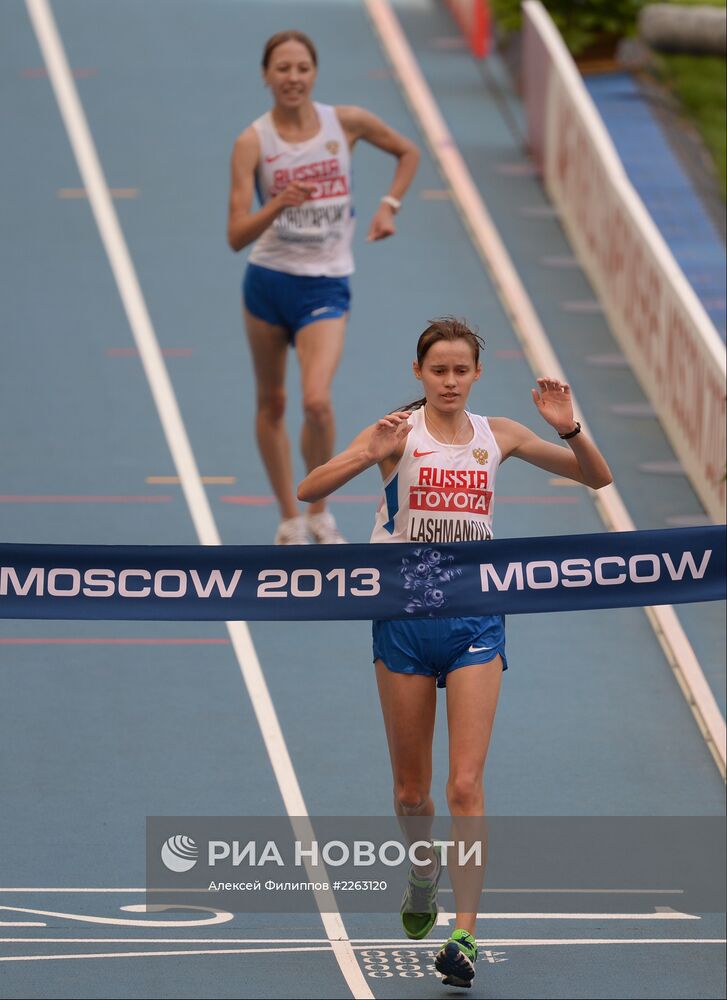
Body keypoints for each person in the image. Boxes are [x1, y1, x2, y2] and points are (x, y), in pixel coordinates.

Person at [297, 316, 612, 988]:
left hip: (474, 619)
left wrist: (568, 425)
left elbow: (597, 478)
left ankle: (463, 936)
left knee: (464, 785)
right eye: (436, 369)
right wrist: (366, 453)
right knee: (412, 794)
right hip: (403, 623)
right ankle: (420, 873)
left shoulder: (497, 436)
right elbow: (308, 491)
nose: (447, 380)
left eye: (458, 370)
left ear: (474, 374)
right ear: (419, 373)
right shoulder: (394, 434)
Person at [227, 29, 420, 545]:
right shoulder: (253, 142)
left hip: (326, 287)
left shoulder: (346, 123)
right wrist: (277, 204)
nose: (293, 78)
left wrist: (389, 206)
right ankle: (290, 516)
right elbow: (235, 235)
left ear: (314, 73)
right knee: (272, 402)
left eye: (302, 68)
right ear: (267, 76)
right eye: (283, 69)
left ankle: (319, 511)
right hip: (268, 283)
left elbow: (407, 153)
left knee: (317, 402)